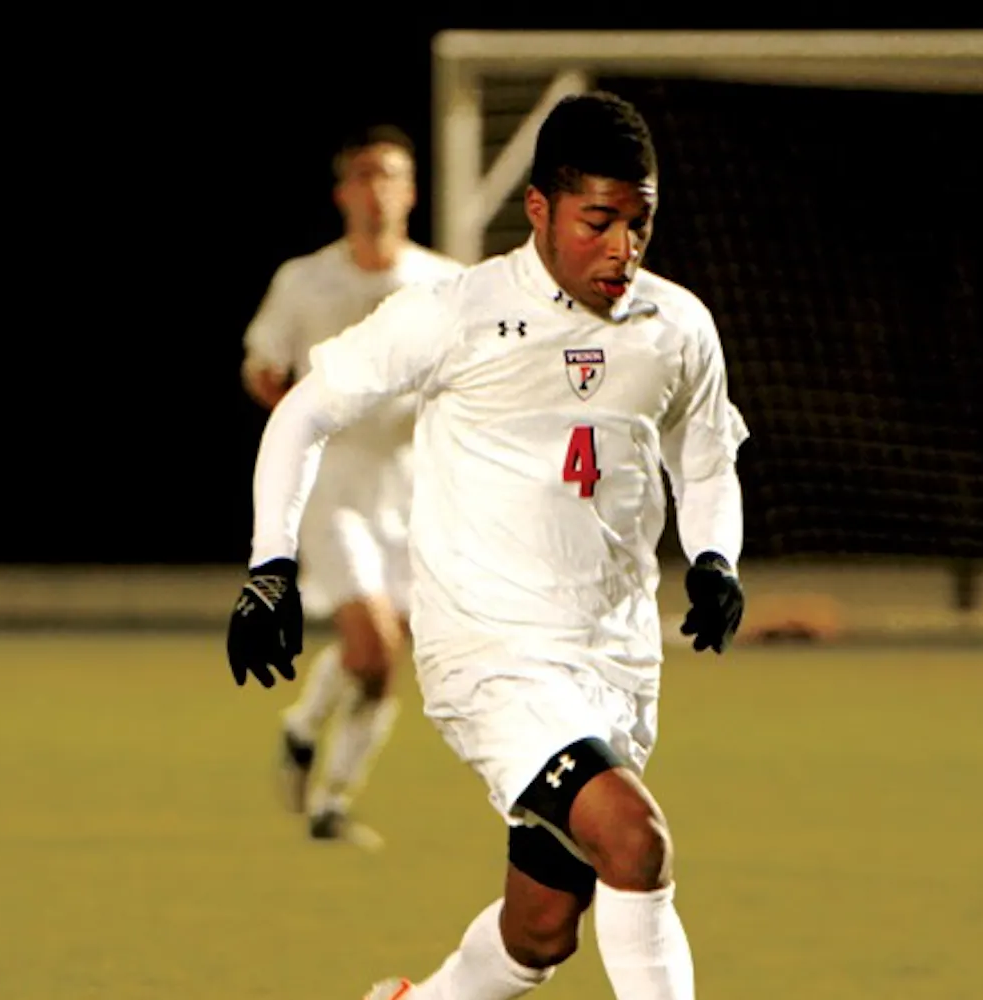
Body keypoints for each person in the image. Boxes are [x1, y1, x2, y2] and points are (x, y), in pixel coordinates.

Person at [227, 91, 748, 1000]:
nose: (623, 249)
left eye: (640, 223)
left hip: (615, 659)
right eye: (598, 222)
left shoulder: (677, 327)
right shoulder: (457, 311)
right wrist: (270, 566)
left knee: (542, 930)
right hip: (492, 651)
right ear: (540, 209)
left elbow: (703, 464)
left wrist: (715, 558)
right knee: (637, 841)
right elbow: (305, 412)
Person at [240, 124, 463, 844]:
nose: (377, 189)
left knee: (382, 663)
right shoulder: (305, 279)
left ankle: (318, 763)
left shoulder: (442, 282)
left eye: (390, 175)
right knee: (375, 647)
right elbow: (261, 361)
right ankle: (324, 785)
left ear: (410, 192)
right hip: (332, 485)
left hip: (414, 488)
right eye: (364, 176)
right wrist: (277, 390)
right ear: (343, 194)